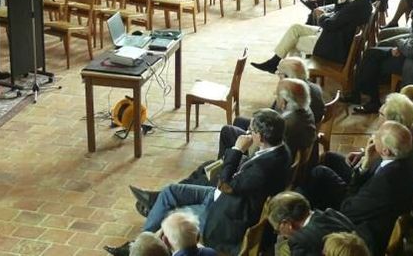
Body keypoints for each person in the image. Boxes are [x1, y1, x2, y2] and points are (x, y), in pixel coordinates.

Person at [110, 109, 292, 256]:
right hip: (224, 197)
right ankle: (144, 235)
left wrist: (237, 149)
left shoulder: (262, 168)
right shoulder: (282, 150)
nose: (248, 134)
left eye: (251, 131)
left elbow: (225, 184)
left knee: (173, 218)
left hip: (225, 214)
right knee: (170, 191)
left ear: (260, 136)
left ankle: (139, 249)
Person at [252, 0, 372, 73]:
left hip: (332, 46)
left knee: (293, 43)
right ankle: (277, 64)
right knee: (296, 28)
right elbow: (340, 17)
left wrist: (321, 16)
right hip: (335, 37)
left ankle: (290, 78)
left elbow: (330, 25)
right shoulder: (363, 2)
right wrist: (342, 0)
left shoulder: (357, 6)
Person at [349, 0, 413, 113]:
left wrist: (400, 43)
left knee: (372, 61)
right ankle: (360, 94)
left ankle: (369, 99)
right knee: (371, 53)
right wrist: (402, 46)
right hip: (411, 55)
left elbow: (412, 51)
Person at [337, 121, 413, 256]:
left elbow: (347, 210)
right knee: (326, 167)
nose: (373, 136)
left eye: (377, 135)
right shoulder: (400, 159)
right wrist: (366, 161)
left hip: (362, 233)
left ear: (385, 150)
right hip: (367, 205)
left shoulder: (385, 182)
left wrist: (362, 169)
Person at [267, 191, 355, 256]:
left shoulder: (300, 243)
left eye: (278, 230)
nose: (282, 236)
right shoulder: (332, 214)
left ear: (286, 224)